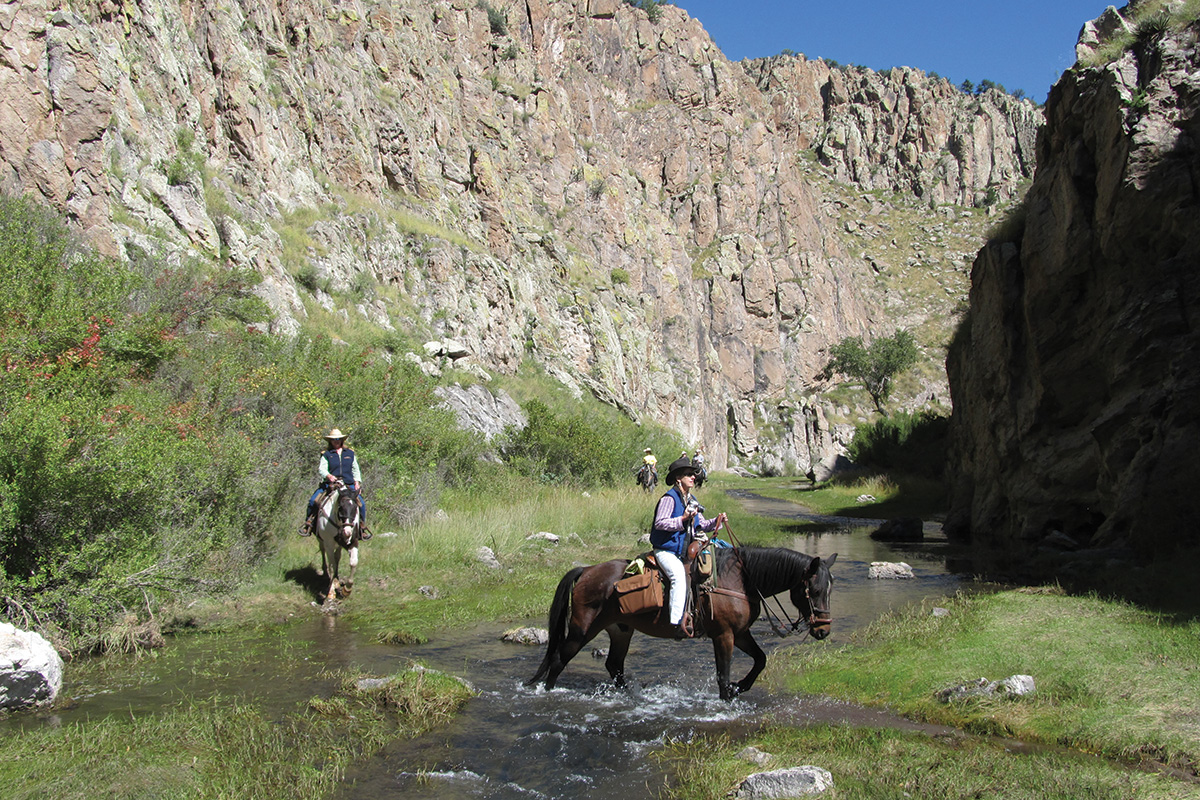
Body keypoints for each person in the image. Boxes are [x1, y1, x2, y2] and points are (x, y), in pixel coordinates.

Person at [649, 455, 727, 638]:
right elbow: (660, 523)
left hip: (682, 551)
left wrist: (717, 521)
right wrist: (682, 520)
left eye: (693, 474)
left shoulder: (691, 499)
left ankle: (698, 614)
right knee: (677, 576)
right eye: (688, 474)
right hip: (666, 550)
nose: (693, 477)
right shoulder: (669, 498)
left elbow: (701, 525)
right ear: (678, 478)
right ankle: (676, 624)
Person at [300, 428, 368, 537]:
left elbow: (355, 469)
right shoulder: (326, 454)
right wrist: (329, 476)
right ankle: (309, 524)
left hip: (348, 485)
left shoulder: (350, 454)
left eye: (338, 439)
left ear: (342, 440)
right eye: (334, 439)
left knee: (361, 504)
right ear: (330, 441)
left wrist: (357, 482)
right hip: (330, 485)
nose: (336, 441)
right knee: (313, 501)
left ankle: (361, 528)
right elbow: (322, 469)